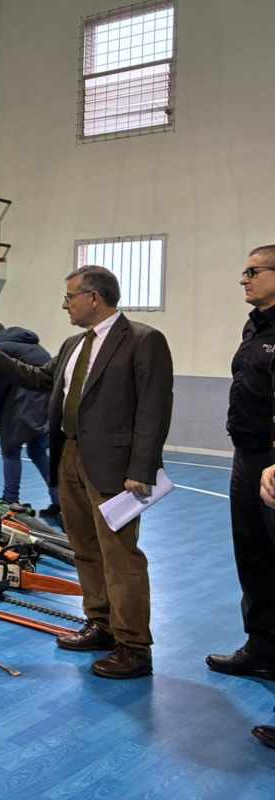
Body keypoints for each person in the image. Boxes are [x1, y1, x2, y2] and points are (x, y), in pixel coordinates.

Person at [0, 265, 173, 679]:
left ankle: (134, 647)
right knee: (84, 548)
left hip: (116, 467)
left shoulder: (143, 340)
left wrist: (142, 465)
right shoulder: (73, 344)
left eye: (70, 297)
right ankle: (100, 624)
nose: (66, 305)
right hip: (71, 456)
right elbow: (41, 380)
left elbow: (154, 405)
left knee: (121, 557)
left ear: (94, 297)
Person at [207, 244, 275, 684]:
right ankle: (262, 647)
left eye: (253, 271)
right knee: (252, 555)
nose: (244, 279)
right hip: (248, 457)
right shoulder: (254, 328)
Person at [0, 320, 61, 516]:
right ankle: (60, 501)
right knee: (38, 452)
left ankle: (10, 499)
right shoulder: (31, 345)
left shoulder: (1, 348)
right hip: (45, 406)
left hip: (23, 406)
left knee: (10, 450)